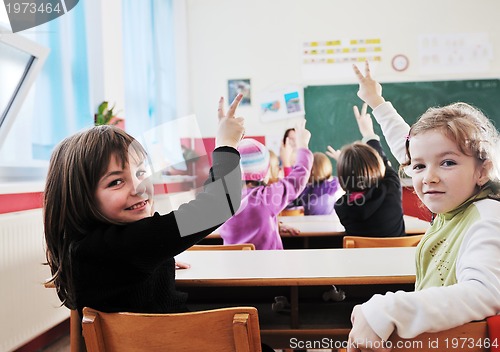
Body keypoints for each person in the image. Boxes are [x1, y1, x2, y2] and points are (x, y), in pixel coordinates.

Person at [43, 95, 245, 316]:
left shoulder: (84, 249)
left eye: (141, 172)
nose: (139, 187)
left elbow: (125, 263)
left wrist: (157, 260)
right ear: (79, 197)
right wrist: (227, 143)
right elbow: (220, 203)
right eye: (116, 181)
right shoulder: (131, 244)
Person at [347, 61, 500, 351]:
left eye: (448, 162)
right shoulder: (458, 204)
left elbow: (485, 292)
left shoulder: (487, 217)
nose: (429, 176)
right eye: (418, 166)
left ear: (482, 171)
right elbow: (404, 145)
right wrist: (376, 102)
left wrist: (389, 308)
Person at [219, 120, 313, 250]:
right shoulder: (265, 197)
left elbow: (246, 224)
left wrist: (275, 224)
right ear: (265, 173)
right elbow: (298, 177)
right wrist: (302, 145)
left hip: (233, 269)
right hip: (269, 268)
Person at [327, 103, 405, 237]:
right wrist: (369, 133)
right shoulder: (391, 187)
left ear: (342, 176)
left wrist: (346, 164)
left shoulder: (341, 207)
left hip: (360, 258)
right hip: (397, 257)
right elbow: (384, 163)